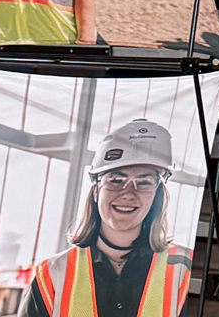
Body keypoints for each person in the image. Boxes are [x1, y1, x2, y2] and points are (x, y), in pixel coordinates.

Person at [21, 119, 192, 317]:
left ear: (157, 194)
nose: (128, 193)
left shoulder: (186, 272)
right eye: (116, 180)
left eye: (144, 182)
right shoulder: (52, 275)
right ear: (96, 191)